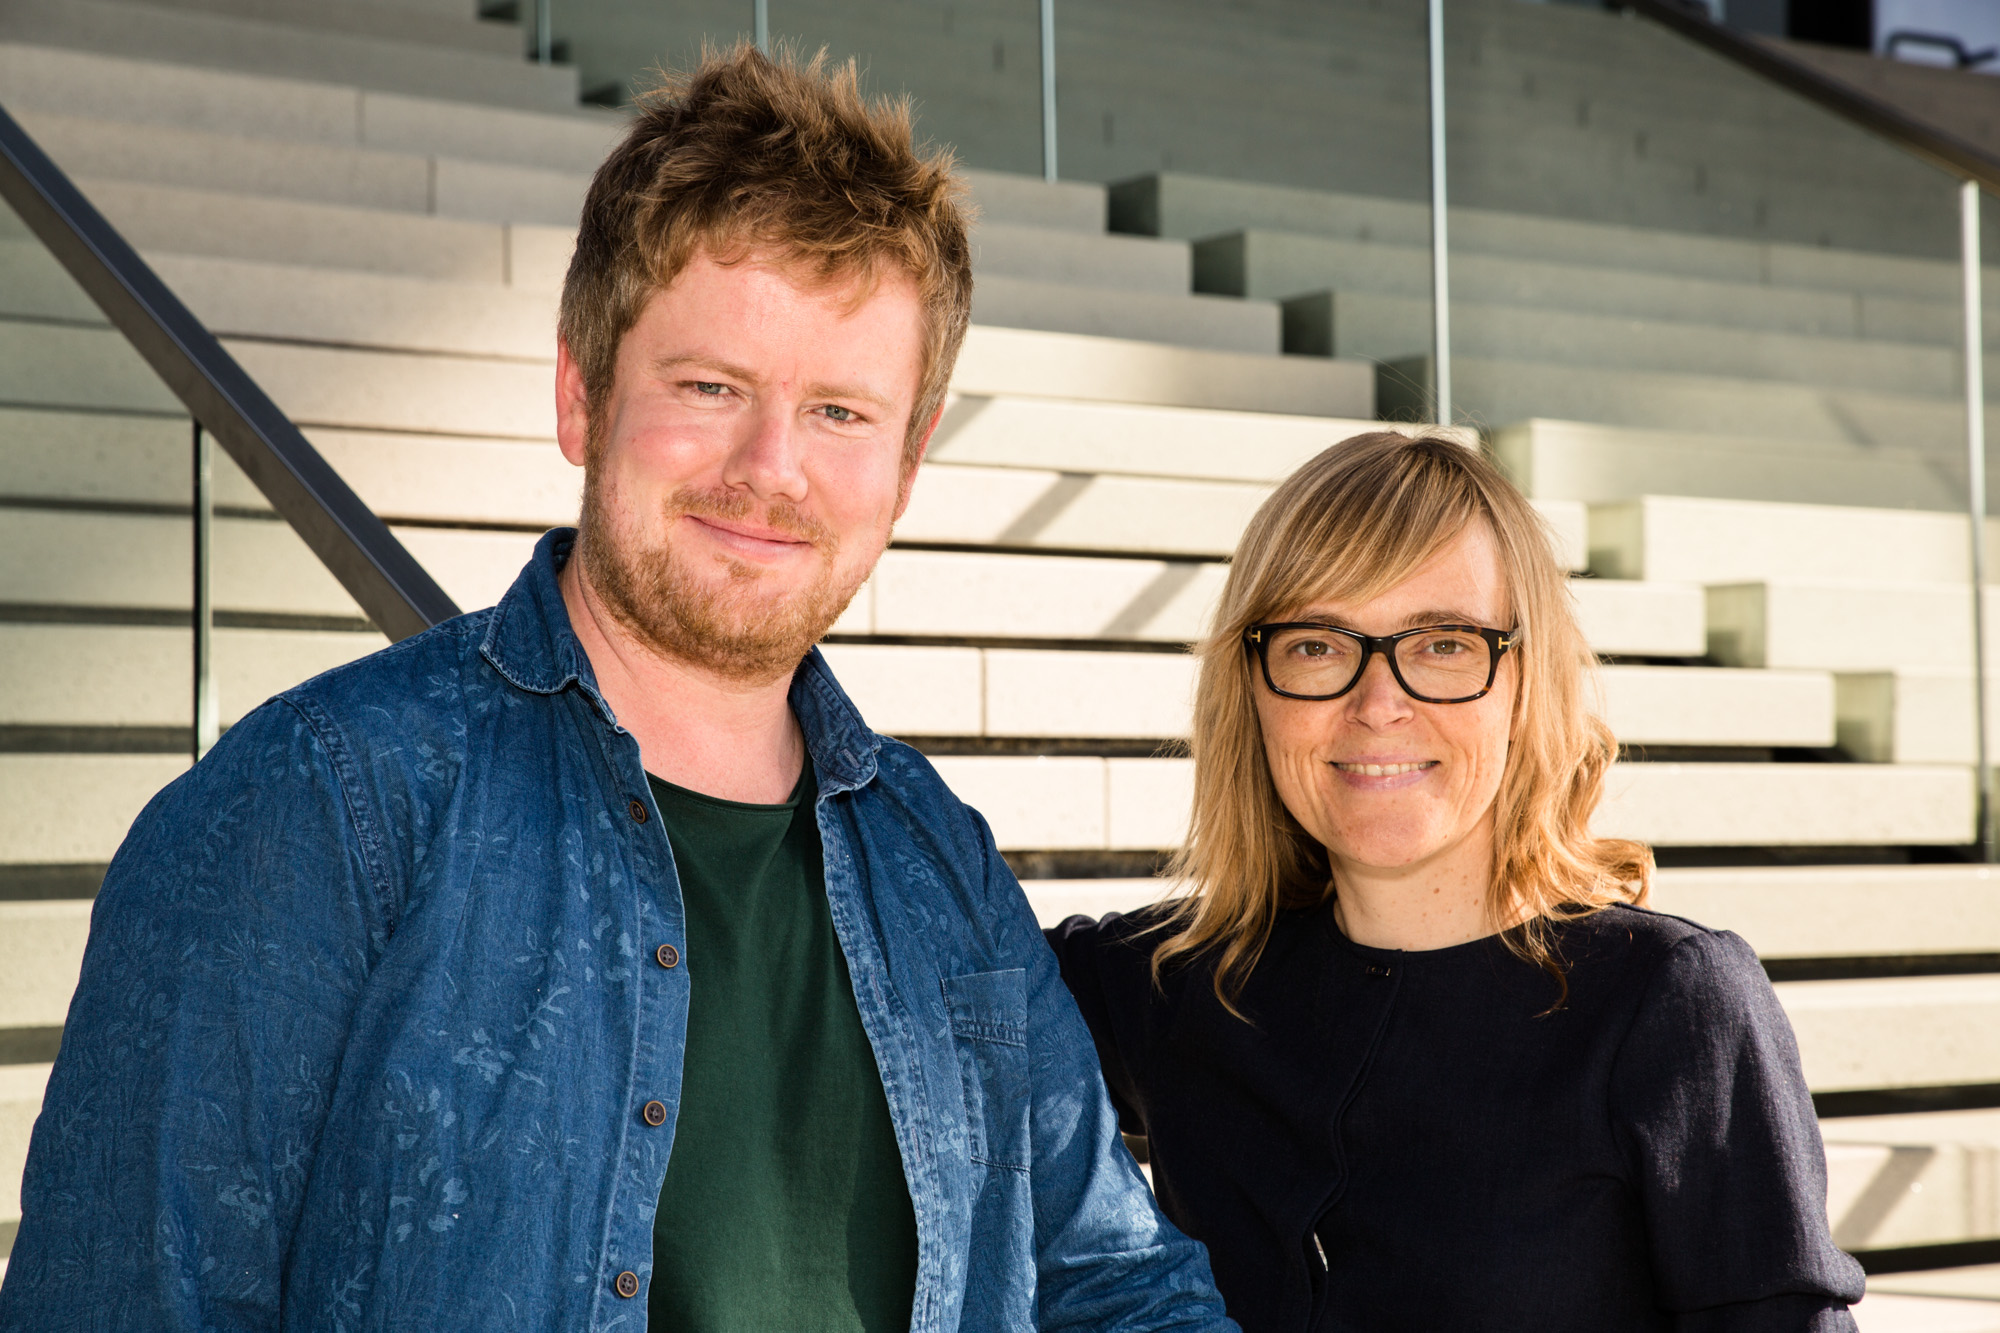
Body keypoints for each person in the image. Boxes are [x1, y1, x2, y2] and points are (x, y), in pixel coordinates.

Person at [0, 47, 1237, 1333]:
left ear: (909, 462)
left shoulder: (940, 866)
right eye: (710, 389)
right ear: (580, 398)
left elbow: (1115, 1284)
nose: (772, 470)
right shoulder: (317, 806)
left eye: (838, 413)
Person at [1046, 431, 1865, 1333]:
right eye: (1318, 644)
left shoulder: (1668, 1004)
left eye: (1443, 643)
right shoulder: (1169, 984)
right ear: (1252, 687)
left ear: (1525, 681)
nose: (1378, 702)